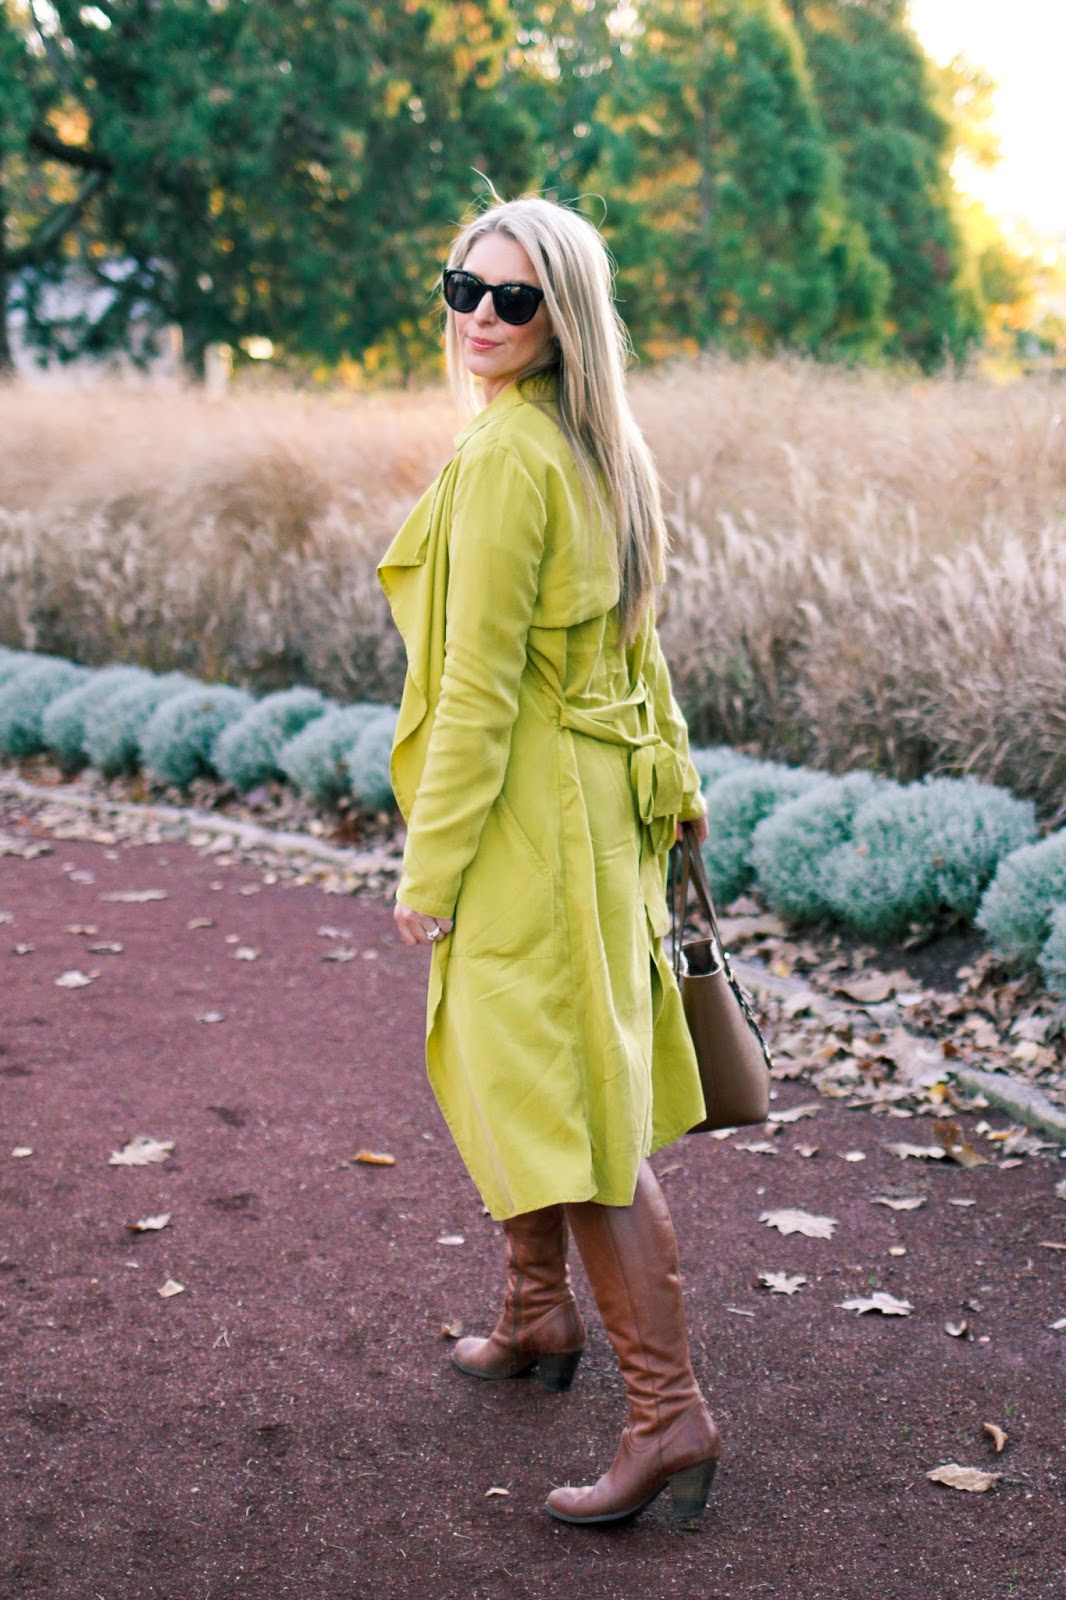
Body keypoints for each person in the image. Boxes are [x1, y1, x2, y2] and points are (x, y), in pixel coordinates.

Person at [377, 194, 720, 1527]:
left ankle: (667, 1410)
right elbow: (642, 651)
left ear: (560, 317)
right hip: (595, 807)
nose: (477, 314)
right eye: (464, 283)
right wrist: (677, 787)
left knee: (568, 1112)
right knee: (518, 1063)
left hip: (534, 818)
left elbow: (474, 692)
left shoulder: (512, 462)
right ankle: (534, 1315)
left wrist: (431, 864)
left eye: (512, 298)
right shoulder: (598, 448)